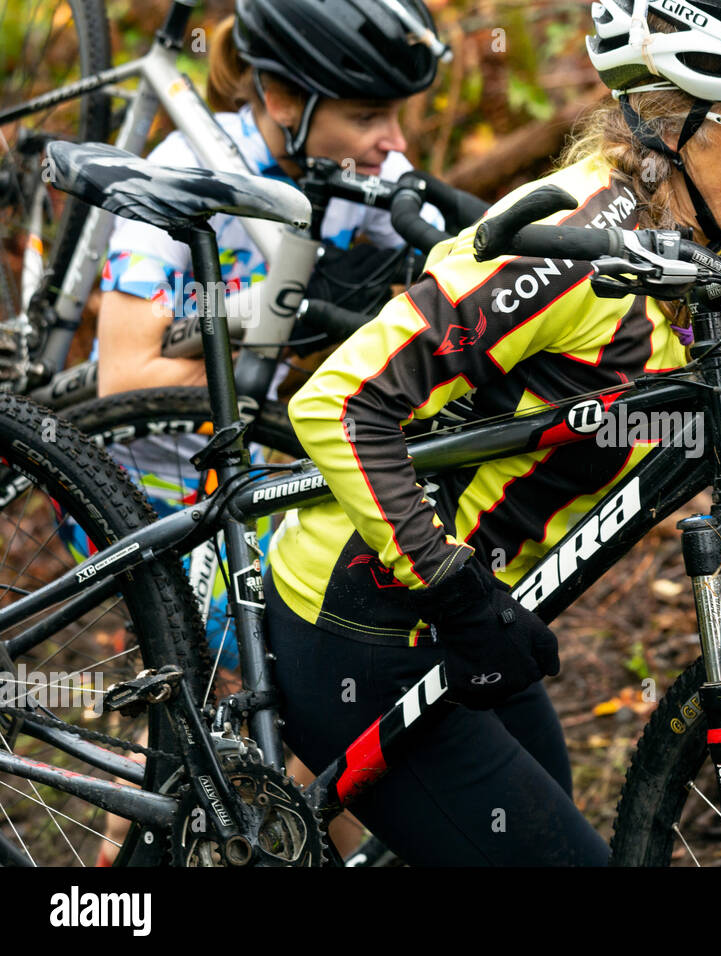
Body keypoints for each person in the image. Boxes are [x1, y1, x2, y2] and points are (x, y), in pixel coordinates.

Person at [264, 0, 721, 865]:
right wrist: (453, 592)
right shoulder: (566, 244)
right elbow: (338, 403)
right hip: (369, 621)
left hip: (478, 614)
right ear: (678, 129)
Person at [86, 0, 452, 865]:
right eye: (368, 117)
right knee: (260, 708)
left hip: (268, 469)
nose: (393, 142)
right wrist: (302, 368)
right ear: (286, 100)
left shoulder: (349, 175)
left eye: (398, 116)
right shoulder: (180, 180)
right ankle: (128, 858)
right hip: (154, 483)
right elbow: (125, 377)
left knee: (298, 735)